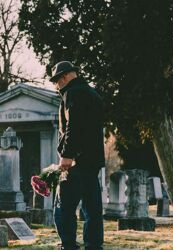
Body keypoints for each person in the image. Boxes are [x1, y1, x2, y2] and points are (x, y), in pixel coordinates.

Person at [50, 61, 105, 250]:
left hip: (76, 161)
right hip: (93, 161)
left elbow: (73, 126)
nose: (57, 87)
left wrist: (67, 155)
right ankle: (94, 246)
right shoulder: (93, 94)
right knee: (92, 209)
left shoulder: (72, 93)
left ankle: (68, 245)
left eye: (56, 82)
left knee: (63, 207)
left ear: (63, 77)